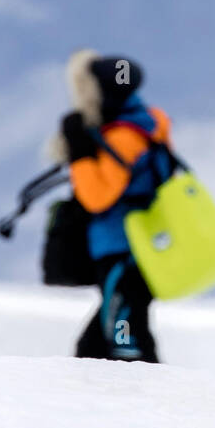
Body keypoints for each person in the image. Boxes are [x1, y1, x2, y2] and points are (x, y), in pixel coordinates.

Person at [48, 49, 174, 362]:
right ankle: (151, 398)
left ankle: (150, 402)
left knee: (124, 344)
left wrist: (79, 153)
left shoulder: (124, 136)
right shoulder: (146, 122)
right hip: (137, 249)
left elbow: (97, 196)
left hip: (124, 251)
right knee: (101, 345)